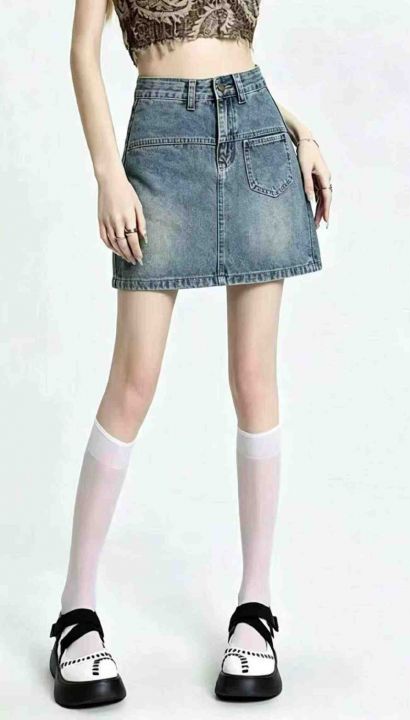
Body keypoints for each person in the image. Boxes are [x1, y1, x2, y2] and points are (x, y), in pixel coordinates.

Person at [48, 0, 332, 708]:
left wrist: (299, 131)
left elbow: (229, 58)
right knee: (133, 383)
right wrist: (107, 175)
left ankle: (255, 609)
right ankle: (75, 610)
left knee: (254, 380)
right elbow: (83, 51)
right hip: (159, 150)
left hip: (259, 139)